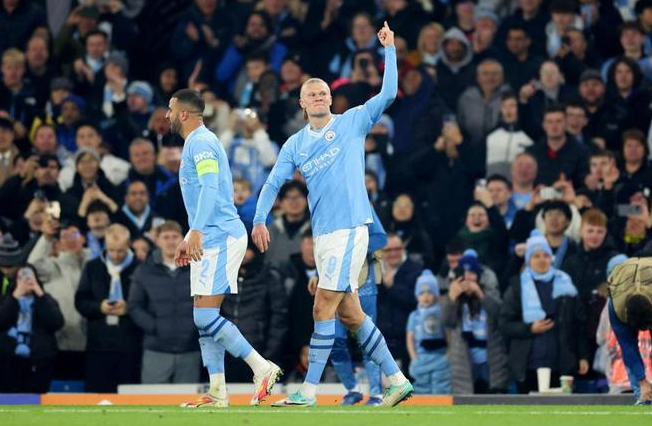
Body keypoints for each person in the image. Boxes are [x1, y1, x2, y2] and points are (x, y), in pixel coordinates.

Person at [252, 22, 413, 407]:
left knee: (322, 305)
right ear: (302, 103)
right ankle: (397, 379)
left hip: (349, 227)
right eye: (312, 94)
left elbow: (389, 93)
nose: (319, 97)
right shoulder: (294, 144)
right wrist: (258, 218)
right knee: (351, 314)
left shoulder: (352, 121)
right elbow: (273, 182)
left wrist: (389, 50)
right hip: (324, 234)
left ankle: (308, 392)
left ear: (330, 98)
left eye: (323, 92)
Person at [166, 88, 281, 408]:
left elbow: (209, 186)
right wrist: (191, 234)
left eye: (170, 109)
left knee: (204, 316)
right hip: (209, 235)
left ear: (184, 113)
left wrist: (196, 231)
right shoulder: (197, 142)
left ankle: (262, 367)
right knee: (204, 317)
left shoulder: (201, 142)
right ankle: (217, 391)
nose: (167, 115)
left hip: (219, 235)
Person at [128, 221, 200, 384]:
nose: (171, 241)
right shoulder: (144, 270)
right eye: (166, 237)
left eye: (175, 236)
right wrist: (155, 327)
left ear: (183, 239)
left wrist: (194, 328)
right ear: (157, 240)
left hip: (190, 348)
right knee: (153, 397)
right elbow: (134, 306)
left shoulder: (198, 268)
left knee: (187, 397)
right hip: (156, 348)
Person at [74, 224, 141, 393]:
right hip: (98, 346)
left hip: (130, 345)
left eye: (120, 250)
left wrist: (129, 309)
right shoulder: (92, 267)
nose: (115, 255)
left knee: (128, 400)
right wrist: (99, 307)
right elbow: (80, 301)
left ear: (128, 245)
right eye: (111, 250)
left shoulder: (140, 268)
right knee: (96, 397)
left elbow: (149, 303)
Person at [0, 263, 64, 393]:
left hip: (39, 363)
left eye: (29, 277)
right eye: (21, 278)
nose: (25, 281)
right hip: (8, 363)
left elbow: (57, 322)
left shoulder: (45, 299)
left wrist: (39, 293)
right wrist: (15, 296)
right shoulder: (6, 299)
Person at [606, 256, 652, 403]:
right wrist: (642, 381)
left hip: (646, 274)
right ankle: (643, 397)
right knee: (629, 349)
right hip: (623, 281)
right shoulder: (616, 308)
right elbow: (628, 346)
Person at [406, 270, 451, 395]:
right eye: (421, 293)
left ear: (436, 294)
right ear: (416, 296)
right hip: (421, 358)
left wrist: (448, 355)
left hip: (440, 358)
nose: (425, 296)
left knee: (441, 388)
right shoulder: (414, 315)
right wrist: (414, 358)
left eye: (430, 292)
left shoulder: (442, 312)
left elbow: (449, 335)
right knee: (421, 388)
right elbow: (410, 338)